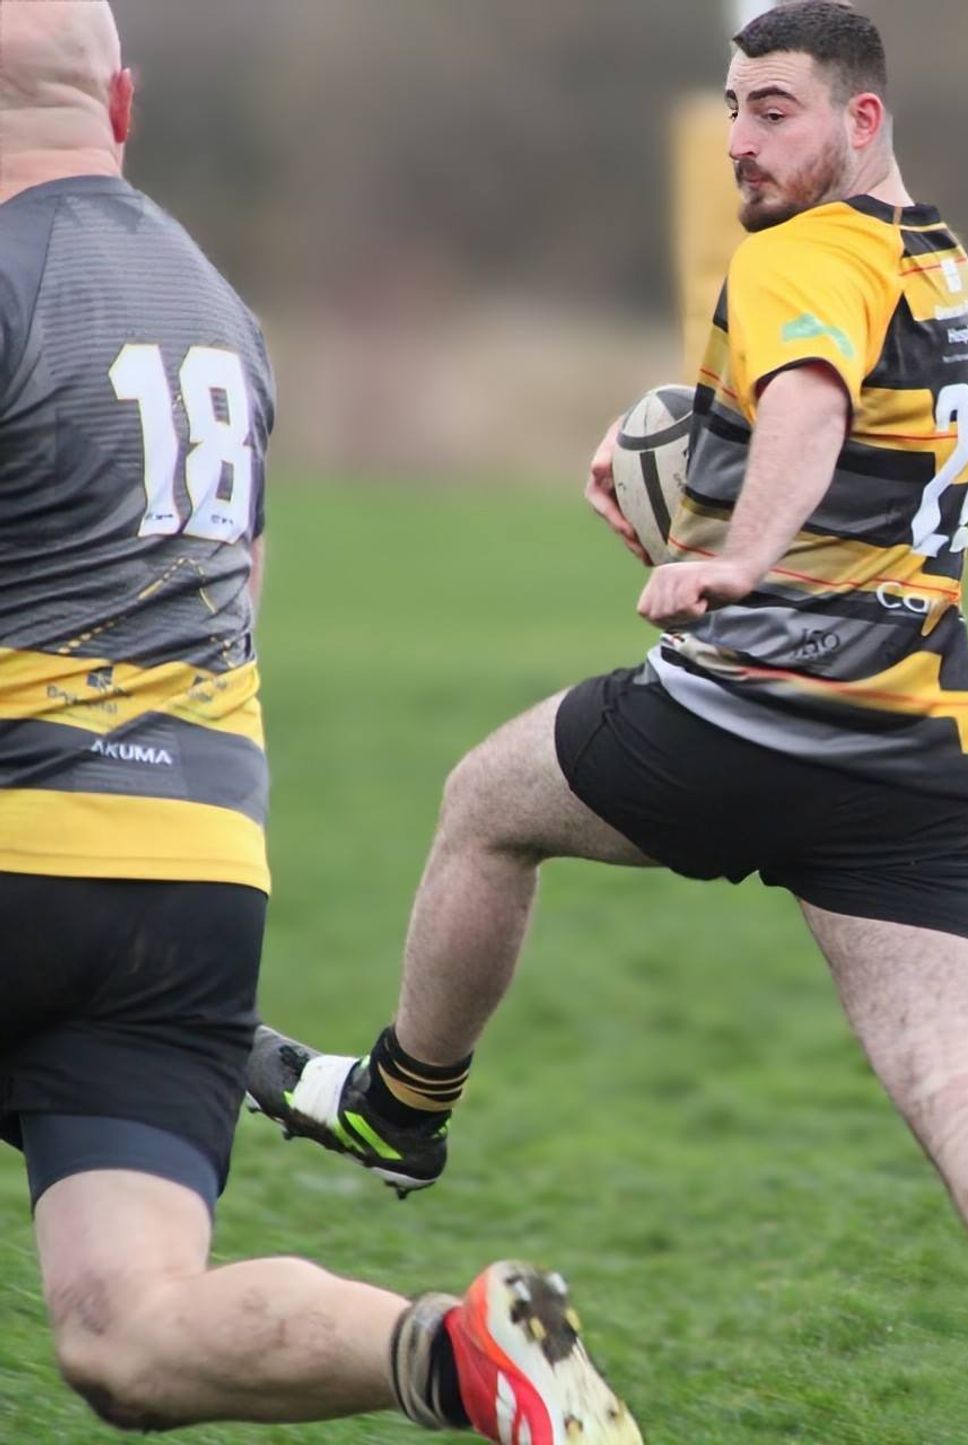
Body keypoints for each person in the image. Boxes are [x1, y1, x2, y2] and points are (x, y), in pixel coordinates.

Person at [247, 4, 968, 1441]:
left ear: (861, 122)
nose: (741, 136)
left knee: (486, 802)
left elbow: (806, 410)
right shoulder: (938, 256)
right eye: (733, 105)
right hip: (916, 740)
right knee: (951, 1067)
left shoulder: (797, 255)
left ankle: (400, 1104)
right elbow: (841, 430)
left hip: (750, 718)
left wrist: (732, 553)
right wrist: (687, 473)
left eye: (775, 109)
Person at [0, 5, 641, 1441]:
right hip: (193, 878)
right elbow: (232, 609)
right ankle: (459, 1353)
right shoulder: (220, 308)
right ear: (123, 102)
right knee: (131, 1329)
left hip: (19, 834)